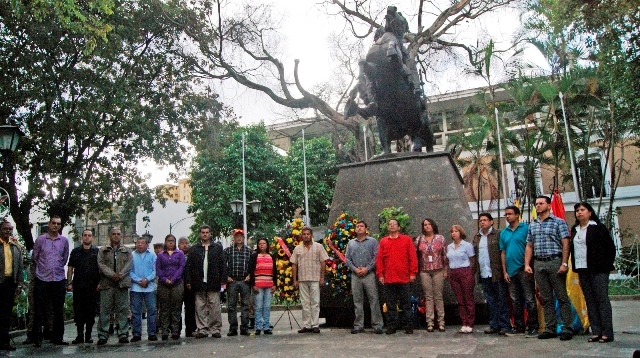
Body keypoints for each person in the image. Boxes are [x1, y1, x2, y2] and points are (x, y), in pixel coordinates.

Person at [524, 195, 573, 341]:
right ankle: (550, 327)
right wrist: (527, 264)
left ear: (549, 205)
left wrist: (564, 263)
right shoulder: (533, 224)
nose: (538, 206)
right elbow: (529, 245)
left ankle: (567, 328)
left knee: (562, 296)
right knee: (546, 298)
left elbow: (565, 243)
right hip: (539, 263)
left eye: (541, 203)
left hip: (555, 261)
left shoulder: (559, 222)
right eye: (536, 203)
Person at [570, 202, 616, 343]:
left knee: (602, 300)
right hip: (582, 269)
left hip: (598, 270)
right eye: (577, 210)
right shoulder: (575, 229)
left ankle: (607, 332)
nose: (579, 212)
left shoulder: (598, 228)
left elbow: (610, 248)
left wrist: (605, 265)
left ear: (590, 212)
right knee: (590, 301)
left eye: (582, 210)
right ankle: (596, 331)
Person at [499, 205, 538, 337]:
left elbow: (531, 246)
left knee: (529, 299)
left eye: (510, 214)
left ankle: (533, 326)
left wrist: (528, 265)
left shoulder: (526, 229)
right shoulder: (503, 233)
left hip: (523, 269)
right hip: (511, 271)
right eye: (506, 214)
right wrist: (505, 272)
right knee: (515, 300)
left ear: (517, 215)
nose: (507, 216)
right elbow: (503, 253)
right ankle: (519, 326)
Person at [32, 215, 70, 347]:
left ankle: (58, 337)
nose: (56, 226)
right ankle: (37, 338)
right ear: (49, 224)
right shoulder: (41, 239)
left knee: (58, 310)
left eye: (58, 224)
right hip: (42, 278)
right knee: (39, 309)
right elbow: (35, 257)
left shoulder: (64, 241)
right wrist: (44, 268)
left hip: (58, 278)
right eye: (53, 223)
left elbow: (64, 258)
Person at [375, 219, 418, 335]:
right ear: (387, 227)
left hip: (404, 277)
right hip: (389, 278)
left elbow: (412, 257)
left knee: (406, 303)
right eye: (390, 224)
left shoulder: (406, 240)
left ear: (399, 227)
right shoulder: (383, 241)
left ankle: (408, 326)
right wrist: (380, 274)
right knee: (390, 304)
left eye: (394, 224)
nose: (392, 226)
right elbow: (379, 260)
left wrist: (413, 273)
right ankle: (392, 326)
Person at [184, 225, 227, 339]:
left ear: (210, 234)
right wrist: (188, 281)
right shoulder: (194, 249)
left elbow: (222, 265)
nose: (205, 234)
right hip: (198, 282)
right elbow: (188, 267)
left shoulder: (217, 248)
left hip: (213, 281)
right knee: (200, 306)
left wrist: (223, 280)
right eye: (203, 232)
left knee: (214, 306)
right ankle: (202, 329)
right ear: (200, 234)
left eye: (207, 232)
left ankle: (215, 329)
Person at [473, 213, 511, 335]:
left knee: (502, 300)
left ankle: (505, 325)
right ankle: (493, 324)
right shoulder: (477, 237)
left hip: (497, 273)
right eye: (480, 220)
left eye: (485, 220)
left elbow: (503, 252)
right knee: (490, 301)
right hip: (484, 274)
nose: (482, 222)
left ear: (491, 222)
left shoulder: (498, 234)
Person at [346, 221, 384, 334]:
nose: (359, 228)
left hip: (369, 274)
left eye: (361, 226)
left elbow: (376, 256)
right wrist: (355, 269)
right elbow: (347, 259)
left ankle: (377, 325)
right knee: (357, 300)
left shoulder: (372, 241)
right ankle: (358, 325)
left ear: (366, 229)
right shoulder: (351, 243)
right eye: (357, 226)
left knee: (374, 299)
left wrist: (367, 268)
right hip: (355, 275)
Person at [97, 228, 133, 345]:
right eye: (113, 234)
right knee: (105, 310)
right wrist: (112, 275)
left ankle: (123, 333)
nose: (116, 236)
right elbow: (101, 264)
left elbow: (129, 264)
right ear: (110, 236)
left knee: (122, 310)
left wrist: (120, 275)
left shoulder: (127, 250)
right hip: (107, 283)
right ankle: (103, 335)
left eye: (118, 234)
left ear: (121, 236)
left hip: (121, 283)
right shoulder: (103, 250)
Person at [291, 226, 329, 334]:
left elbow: (323, 262)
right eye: (304, 234)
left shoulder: (318, 247)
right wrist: (295, 280)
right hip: (302, 279)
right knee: (305, 303)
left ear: (311, 235)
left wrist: (322, 277)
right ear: (301, 236)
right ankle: (307, 325)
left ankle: (315, 324)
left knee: (315, 302)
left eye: (308, 234)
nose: (306, 236)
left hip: (315, 278)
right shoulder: (297, 248)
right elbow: (294, 264)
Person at [66, 229, 100, 344]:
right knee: (79, 311)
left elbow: (101, 268)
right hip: (79, 286)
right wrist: (69, 282)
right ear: (82, 237)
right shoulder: (75, 251)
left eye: (89, 235)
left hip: (93, 287)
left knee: (91, 312)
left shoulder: (97, 251)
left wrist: (100, 283)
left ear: (92, 238)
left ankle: (88, 336)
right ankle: (79, 335)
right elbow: (70, 267)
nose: (87, 237)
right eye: (85, 235)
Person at [414, 218, 448, 332]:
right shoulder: (419, 239)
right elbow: (415, 255)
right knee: (428, 297)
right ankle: (430, 322)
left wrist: (446, 269)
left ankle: (441, 322)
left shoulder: (440, 238)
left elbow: (444, 255)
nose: (427, 226)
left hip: (438, 269)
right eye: (425, 225)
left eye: (429, 224)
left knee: (438, 296)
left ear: (433, 225)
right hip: (424, 271)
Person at [447, 225, 476, 334]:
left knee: (468, 298)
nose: (453, 233)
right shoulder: (449, 247)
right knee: (460, 300)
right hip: (453, 272)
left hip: (465, 271)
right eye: (452, 232)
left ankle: (470, 322)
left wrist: (470, 273)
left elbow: (473, 260)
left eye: (456, 231)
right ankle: (464, 322)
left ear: (461, 232)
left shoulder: (467, 245)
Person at [224, 228, 253, 336]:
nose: (239, 238)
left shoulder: (249, 251)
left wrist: (250, 275)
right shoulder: (228, 250)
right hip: (233, 281)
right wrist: (226, 277)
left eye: (241, 236)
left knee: (245, 305)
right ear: (234, 237)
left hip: (245, 281)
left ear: (244, 238)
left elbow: (253, 266)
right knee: (231, 306)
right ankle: (233, 328)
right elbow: (223, 265)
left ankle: (244, 327)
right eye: (237, 236)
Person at [157, 234, 186, 340]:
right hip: (163, 285)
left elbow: (181, 267)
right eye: (168, 241)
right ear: (165, 242)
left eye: (172, 241)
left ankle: (175, 331)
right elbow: (158, 269)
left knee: (176, 308)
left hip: (177, 284)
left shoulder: (180, 254)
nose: (170, 243)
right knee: (164, 308)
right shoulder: (160, 255)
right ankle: (164, 331)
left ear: (175, 243)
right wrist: (165, 279)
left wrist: (173, 279)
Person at [0, 221, 24, 351]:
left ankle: (4, 342)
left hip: (10, 283)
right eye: (5, 228)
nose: (8, 231)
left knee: (6, 314)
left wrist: (19, 285)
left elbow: (20, 268)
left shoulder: (15, 247)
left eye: (10, 229)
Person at [130, 237, 158, 342]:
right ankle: (136, 334)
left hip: (149, 287)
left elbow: (155, 270)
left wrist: (147, 279)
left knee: (152, 310)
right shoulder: (131, 255)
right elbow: (129, 271)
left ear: (147, 245)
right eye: (138, 242)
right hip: (135, 287)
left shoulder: (152, 255)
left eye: (142, 243)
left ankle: (152, 333)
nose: (140, 244)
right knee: (136, 311)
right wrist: (138, 280)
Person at [248, 237, 276, 335]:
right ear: (258, 245)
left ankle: (267, 327)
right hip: (258, 285)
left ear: (267, 245)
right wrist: (253, 285)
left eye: (264, 243)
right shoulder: (254, 256)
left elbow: (274, 272)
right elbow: (251, 271)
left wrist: (274, 284)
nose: (262, 245)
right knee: (258, 307)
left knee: (267, 306)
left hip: (269, 285)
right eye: (260, 243)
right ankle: (258, 327)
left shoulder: (271, 256)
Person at [178, 237, 196, 337]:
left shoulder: (192, 256)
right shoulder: (175, 255)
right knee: (177, 308)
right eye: (182, 243)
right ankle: (176, 329)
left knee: (190, 308)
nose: (185, 245)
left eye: (186, 243)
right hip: (177, 284)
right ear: (178, 245)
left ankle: (191, 329)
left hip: (189, 285)